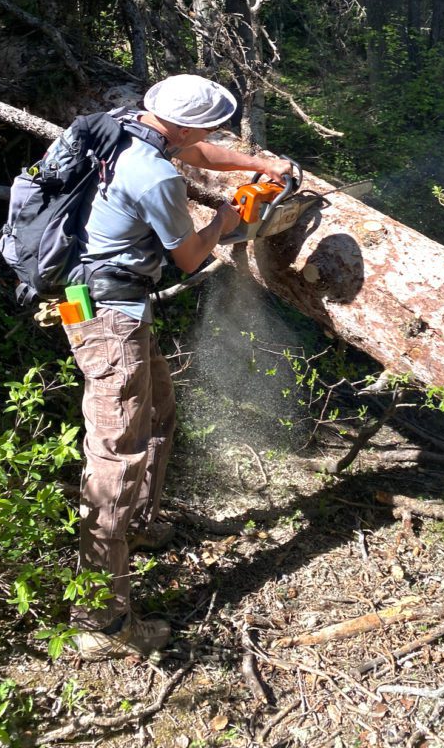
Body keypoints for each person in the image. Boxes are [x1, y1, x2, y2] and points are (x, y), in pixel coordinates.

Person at [61, 74, 290, 661]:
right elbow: (188, 257)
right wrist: (231, 219)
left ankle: (137, 525)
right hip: (105, 315)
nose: (214, 136)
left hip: (87, 299)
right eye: (211, 126)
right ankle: (101, 619)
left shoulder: (117, 128)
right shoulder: (155, 173)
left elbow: (196, 149)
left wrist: (255, 166)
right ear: (185, 121)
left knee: (158, 408)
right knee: (117, 454)